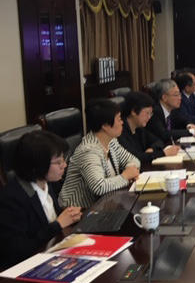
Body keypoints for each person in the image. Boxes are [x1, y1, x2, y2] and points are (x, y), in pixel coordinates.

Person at [0, 131, 83, 269]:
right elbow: (18, 250)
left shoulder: (47, 182)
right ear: (38, 165)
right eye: (58, 162)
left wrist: (70, 215)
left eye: (64, 159)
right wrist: (58, 224)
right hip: (25, 269)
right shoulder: (11, 199)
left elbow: (51, 218)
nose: (64, 165)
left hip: (53, 255)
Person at [60, 99, 140, 208]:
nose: (122, 122)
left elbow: (134, 160)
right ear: (105, 126)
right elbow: (99, 187)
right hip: (78, 211)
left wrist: (130, 170)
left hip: (106, 204)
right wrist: (125, 176)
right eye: (119, 119)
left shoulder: (111, 141)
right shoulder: (88, 151)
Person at [118, 91, 180, 164]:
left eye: (151, 113)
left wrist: (152, 149)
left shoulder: (139, 128)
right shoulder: (120, 132)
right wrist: (164, 153)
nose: (149, 117)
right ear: (134, 112)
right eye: (147, 113)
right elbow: (135, 157)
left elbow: (158, 141)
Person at [147, 78, 195, 145]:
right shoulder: (154, 112)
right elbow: (164, 134)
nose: (180, 98)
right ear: (164, 97)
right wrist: (192, 132)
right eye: (176, 95)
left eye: (179, 94)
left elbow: (183, 119)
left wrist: (189, 125)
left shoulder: (173, 109)